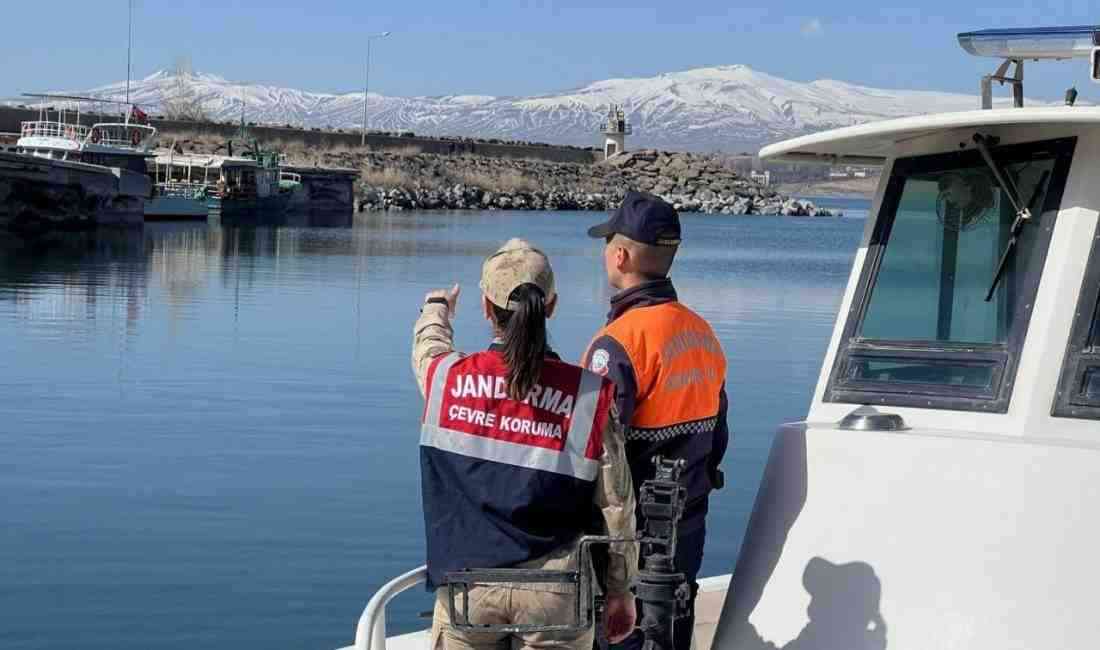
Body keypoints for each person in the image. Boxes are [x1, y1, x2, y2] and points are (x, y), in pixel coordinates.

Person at [412, 238, 640, 650]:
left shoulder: (446, 379)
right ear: (550, 307)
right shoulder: (588, 396)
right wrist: (622, 589)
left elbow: (427, 349)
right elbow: (617, 506)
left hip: (468, 586)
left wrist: (436, 307)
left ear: (486, 308)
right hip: (555, 590)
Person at [582, 192, 729, 650]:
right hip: (689, 522)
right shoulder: (702, 332)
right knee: (674, 622)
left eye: (607, 244)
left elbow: (592, 452)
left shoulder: (616, 345)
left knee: (624, 637)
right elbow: (718, 435)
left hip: (632, 540)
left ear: (620, 255)